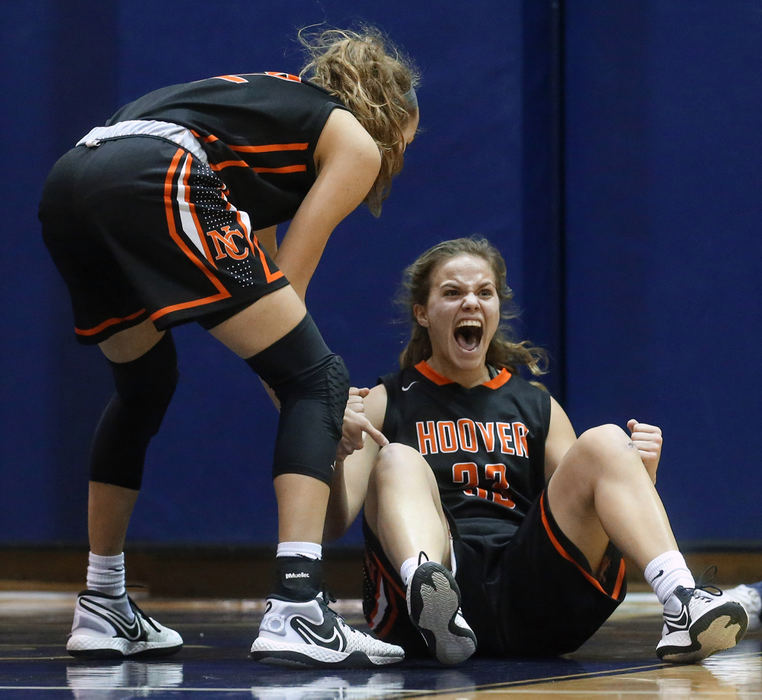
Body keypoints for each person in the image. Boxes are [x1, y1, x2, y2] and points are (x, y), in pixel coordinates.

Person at [38, 25, 419, 668]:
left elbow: (269, 301)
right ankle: (298, 607)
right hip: (154, 173)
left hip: (74, 179)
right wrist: (326, 407)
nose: (397, 161)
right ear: (388, 117)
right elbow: (294, 304)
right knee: (320, 381)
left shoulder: (268, 118)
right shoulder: (356, 143)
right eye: (404, 144)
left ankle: (104, 602)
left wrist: (302, 398)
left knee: (145, 384)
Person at [325, 236, 749, 665]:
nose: (470, 302)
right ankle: (431, 595)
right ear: (422, 313)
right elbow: (332, 524)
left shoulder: (535, 404)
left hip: (529, 590)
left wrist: (640, 472)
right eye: (452, 292)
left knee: (604, 440)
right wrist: (339, 451)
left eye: (483, 292)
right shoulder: (384, 399)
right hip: (435, 584)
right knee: (397, 457)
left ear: (496, 309)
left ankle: (680, 596)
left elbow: (590, 514)